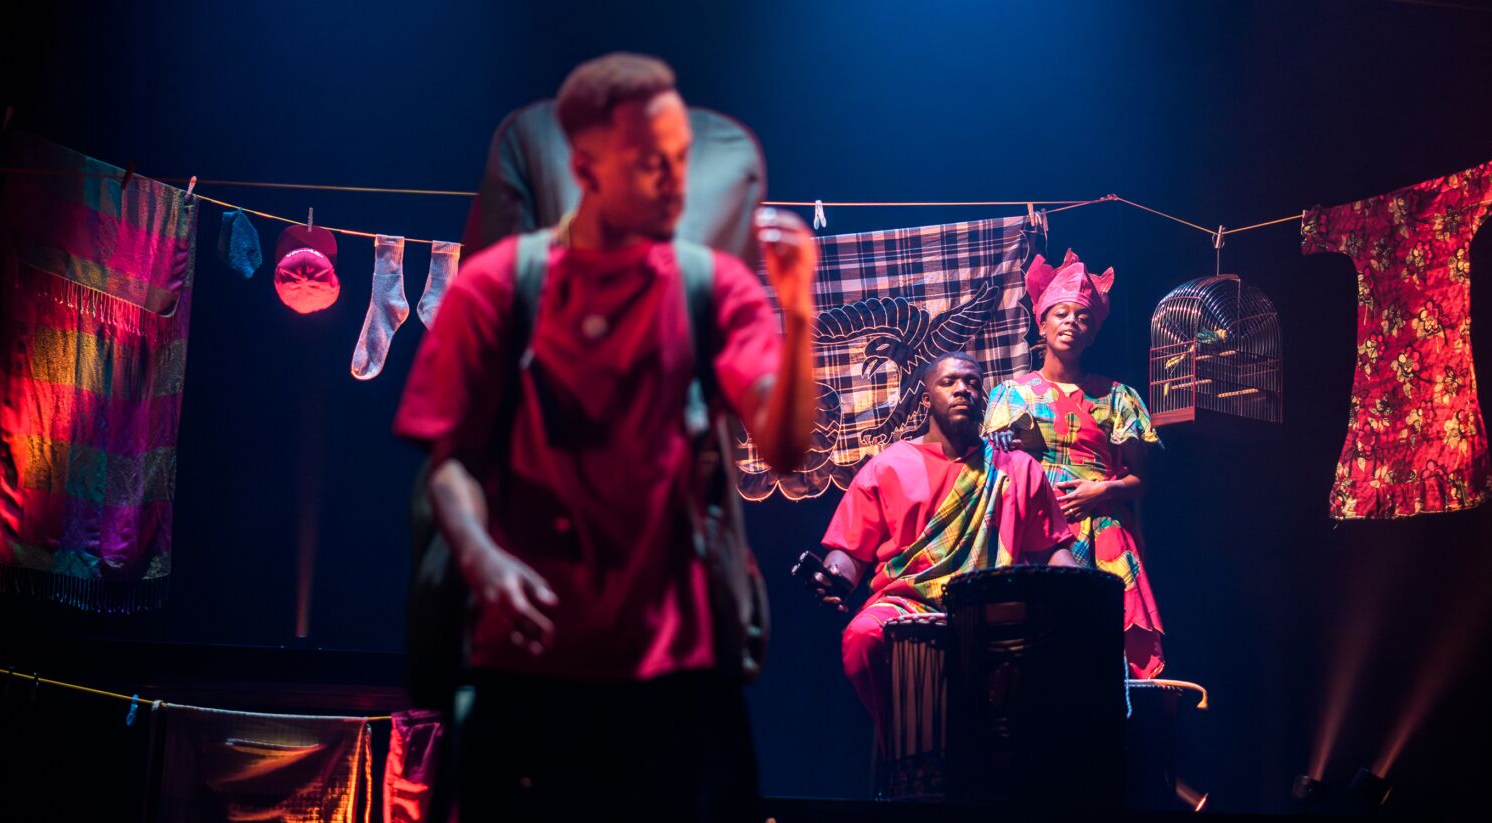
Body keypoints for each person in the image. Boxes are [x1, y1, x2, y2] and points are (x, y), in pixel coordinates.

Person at [393, 52, 818, 820]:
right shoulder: (500, 285)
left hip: (675, 673)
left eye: (682, 160)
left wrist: (801, 312)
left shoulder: (712, 286)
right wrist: (483, 559)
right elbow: (450, 464)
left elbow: (785, 448)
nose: (676, 182)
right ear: (585, 168)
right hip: (526, 660)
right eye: (651, 164)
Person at [805, 351, 1078, 728]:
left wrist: (1082, 592)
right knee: (863, 637)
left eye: (973, 383)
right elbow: (849, 551)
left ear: (983, 399)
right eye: (949, 382)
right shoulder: (889, 465)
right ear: (925, 399)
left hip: (996, 606)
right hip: (908, 601)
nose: (963, 390)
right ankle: (910, 749)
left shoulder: (1015, 467)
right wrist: (833, 577)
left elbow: (1052, 550)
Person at [983, 250, 1167, 678]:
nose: (1071, 322)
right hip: (1030, 527)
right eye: (1061, 314)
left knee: (1098, 641)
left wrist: (1101, 491)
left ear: (1093, 333)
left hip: (1101, 525)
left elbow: (1141, 479)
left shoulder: (1118, 396)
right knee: (1034, 642)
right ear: (1042, 324)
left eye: (1082, 317)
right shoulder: (1010, 395)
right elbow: (991, 468)